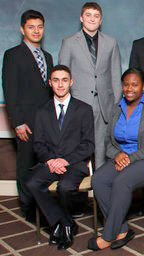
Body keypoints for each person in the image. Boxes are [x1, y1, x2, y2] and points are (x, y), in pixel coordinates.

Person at [88, 68, 144, 251]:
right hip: (122, 158)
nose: (129, 88)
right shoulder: (117, 108)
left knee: (122, 181)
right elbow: (108, 141)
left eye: (134, 84)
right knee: (99, 180)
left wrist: (131, 158)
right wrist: (117, 155)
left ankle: (108, 235)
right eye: (126, 84)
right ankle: (123, 229)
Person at [26, 65, 95, 250]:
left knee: (65, 187)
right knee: (32, 184)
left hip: (74, 163)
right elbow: (38, 144)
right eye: (55, 80)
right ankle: (64, 224)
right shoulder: (42, 111)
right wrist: (50, 160)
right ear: (50, 83)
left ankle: (61, 226)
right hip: (49, 163)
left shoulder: (84, 109)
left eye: (64, 80)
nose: (60, 84)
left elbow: (89, 144)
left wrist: (65, 160)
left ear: (71, 82)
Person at [2, 9, 53, 221]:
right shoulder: (13, 55)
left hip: (45, 123)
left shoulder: (48, 57)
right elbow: (10, 91)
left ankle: (42, 203)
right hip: (26, 123)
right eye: (31, 27)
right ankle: (27, 207)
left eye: (39, 27)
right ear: (22, 29)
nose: (36, 31)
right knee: (25, 165)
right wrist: (18, 123)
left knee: (43, 165)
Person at [59, 2, 122, 168]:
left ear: (101, 20)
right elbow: (62, 77)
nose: (92, 19)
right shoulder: (69, 42)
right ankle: (78, 190)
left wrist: (115, 105)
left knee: (101, 151)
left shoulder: (111, 42)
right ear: (81, 18)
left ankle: (98, 191)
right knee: (78, 151)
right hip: (79, 105)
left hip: (104, 107)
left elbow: (115, 76)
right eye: (88, 15)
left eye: (96, 16)